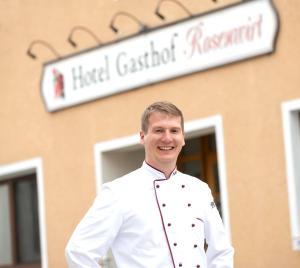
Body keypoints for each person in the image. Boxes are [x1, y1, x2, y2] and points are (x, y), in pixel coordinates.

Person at [65, 101, 234, 268]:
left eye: (174, 131)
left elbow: (222, 251)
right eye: (158, 130)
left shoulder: (199, 190)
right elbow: (79, 252)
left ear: (182, 138)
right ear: (142, 137)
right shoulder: (118, 192)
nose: (167, 138)